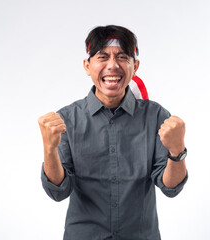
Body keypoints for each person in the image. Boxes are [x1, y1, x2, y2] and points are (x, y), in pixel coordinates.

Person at [38, 25, 188, 240]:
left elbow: (171, 188)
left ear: (134, 66)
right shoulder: (66, 120)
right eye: (102, 57)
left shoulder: (156, 116)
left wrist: (177, 151)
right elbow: (58, 192)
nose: (113, 65)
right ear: (87, 66)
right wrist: (49, 149)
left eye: (122, 57)